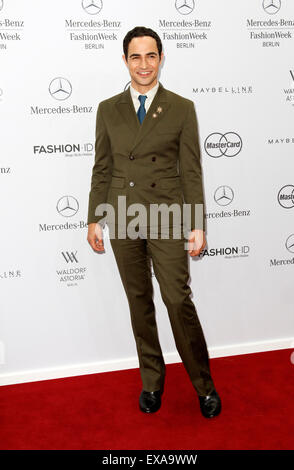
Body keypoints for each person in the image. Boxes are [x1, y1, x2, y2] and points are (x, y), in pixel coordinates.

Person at [87, 26, 221, 418]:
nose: (143, 64)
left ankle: (204, 385)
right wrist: (96, 217)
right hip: (122, 214)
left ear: (161, 58)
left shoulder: (181, 108)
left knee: (177, 300)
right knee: (139, 300)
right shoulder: (107, 109)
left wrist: (196, 221)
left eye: (150, 56)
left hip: (166, 215)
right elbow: (102, 167)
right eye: (135, 56)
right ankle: (151, 381)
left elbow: (192, 171)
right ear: (125, 60)